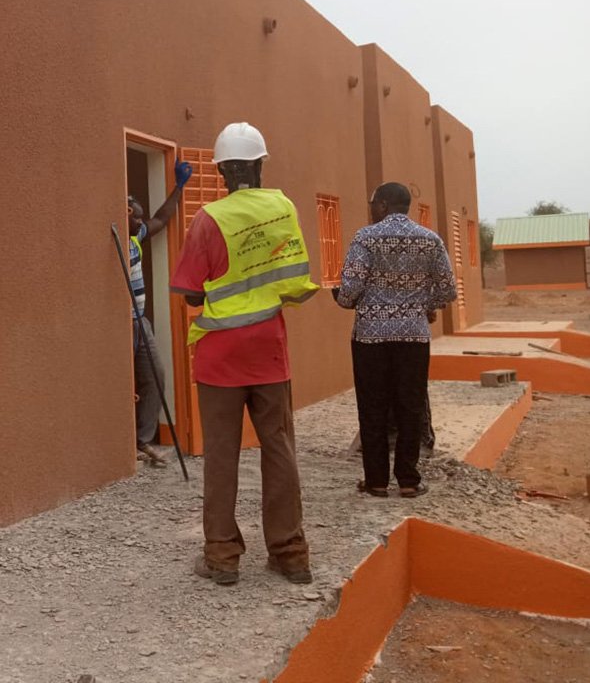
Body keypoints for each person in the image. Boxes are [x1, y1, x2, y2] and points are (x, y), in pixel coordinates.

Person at [170, 122, 319, 586]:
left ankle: (222, 557)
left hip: (219, 355)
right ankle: (291, 554)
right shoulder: (283, 208)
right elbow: (293, 281)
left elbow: (191, 293)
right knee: (279, 447)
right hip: (268, 350)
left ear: (221, 172)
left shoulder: (208, 219)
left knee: (221, 455)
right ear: (259, 166)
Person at [333, 182, 456, 498]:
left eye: (373, 204)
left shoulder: (365, 238)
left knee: (372, 406)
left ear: (384, 205)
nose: (371, 209)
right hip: (414, 337)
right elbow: (447, 289)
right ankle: (408, 480)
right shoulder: (430, 240)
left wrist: (344, 299)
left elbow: (349, 291)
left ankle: (376, 481)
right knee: (410, 407)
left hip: (370, 339)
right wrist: (424, 306)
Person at [129, 158, 192, 464]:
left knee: (156, 375)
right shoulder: (114, 239)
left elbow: (161, 218)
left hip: (140, 322)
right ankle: (124, 445)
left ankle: (143, 440)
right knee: (123, 382)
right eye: (136, 217)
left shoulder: (136, 237)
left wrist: (179, 187)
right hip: (121, 324)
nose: (141, 222)